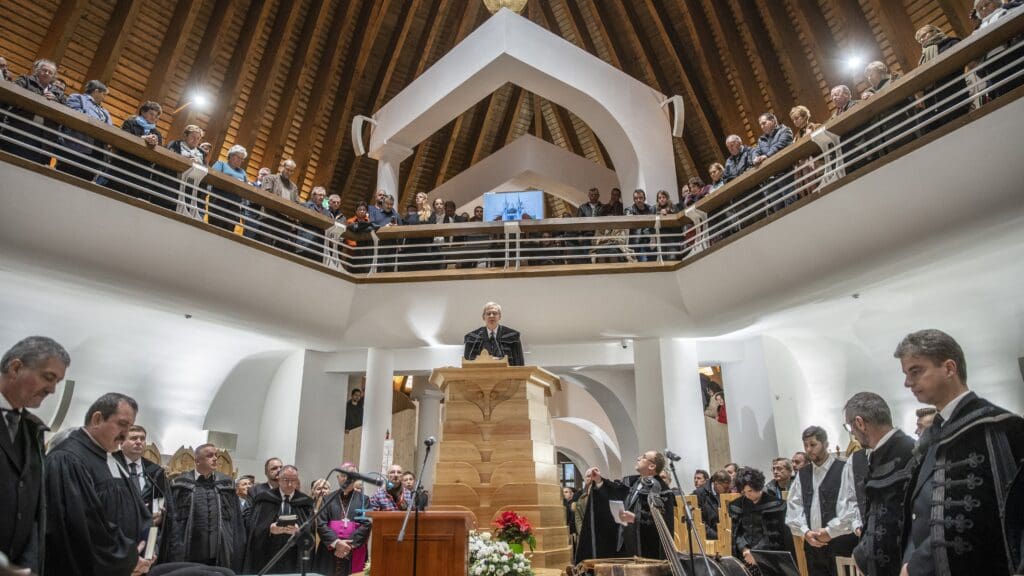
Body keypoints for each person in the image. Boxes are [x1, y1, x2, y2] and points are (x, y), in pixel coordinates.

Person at [895, 329, 1024, 576]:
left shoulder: (998, 427)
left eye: (916, 371)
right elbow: (920, 510)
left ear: (949, 368)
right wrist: (910, 562)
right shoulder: (934, 434)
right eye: (906, 374)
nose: (907, 383)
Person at [44, 392, 152, 576]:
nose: (125, 434)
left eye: (130, 427)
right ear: (97, 419)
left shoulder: (106, 456)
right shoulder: (68, 458)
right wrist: (125, 559)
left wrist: (145, 547)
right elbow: (81, 525)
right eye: (122, 424)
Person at [0, 336, 69, 573]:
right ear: (16, 368)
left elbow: (32, 511)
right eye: (48, 377)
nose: (52, 389)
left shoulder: (32, 429)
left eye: (57, 382)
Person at [842, 392, 915, 576]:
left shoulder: (912, 452)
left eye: (850, 428)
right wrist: (862, 554)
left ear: (859, 423)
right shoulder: (879, 454)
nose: (853, 435)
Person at [785, 426, 858, 576]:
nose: (808, 449)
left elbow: (851, 506)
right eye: (805, 445)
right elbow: (794, 506)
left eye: (813, 444)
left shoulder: (844, 468)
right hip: (813, 547)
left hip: (841, 544)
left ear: (825, 444)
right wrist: (806, 532)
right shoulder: (803, 474)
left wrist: (831, 531)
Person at [163, 443, 246, 570]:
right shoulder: (180, 484)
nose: (215, 459)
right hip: (188, 549)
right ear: (197, 460)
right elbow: (171, 519)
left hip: (219, 550)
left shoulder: (226, 484)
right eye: (209, 456)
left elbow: (236, 520)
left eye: (216, 455)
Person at [582, 451, 675, 559]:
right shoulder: (631, 482)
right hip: (623, 545)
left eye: (643, 457)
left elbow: (662, 523)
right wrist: (598, 480)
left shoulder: (662, 491)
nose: (638, 458)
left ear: (652, 466)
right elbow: (614, 493)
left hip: (645, 550)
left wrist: (635, 519)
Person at [245, 464, 314, 574]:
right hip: (268, 552)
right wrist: (269, 529)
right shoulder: (265, 498)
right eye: (286, 480)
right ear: (279, 479)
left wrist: (299, 531)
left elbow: (310, 532)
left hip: (294, 554)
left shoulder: (305, 502)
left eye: (293, 480)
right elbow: (255, 527)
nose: (290, 484)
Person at [729, 467, 796, 575]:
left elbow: (773, 535)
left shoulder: (776, 505)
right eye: (744, 492)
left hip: (768, 558)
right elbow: (737, 532)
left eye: (750, 491)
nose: (747, 495)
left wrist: (755, 553)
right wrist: (744, 548)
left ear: (758, 487)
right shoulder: (737, 505)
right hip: (743, 557)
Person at [2, 59, 64, 164]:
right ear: (37, 71)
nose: (47, 73)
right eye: (44, 70)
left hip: (42, 137)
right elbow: (14, 95)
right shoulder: (25, 80)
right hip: (19, 128)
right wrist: (39, 98)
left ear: (53, 76)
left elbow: (64, 110)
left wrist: (55, 101)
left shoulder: (58, 93)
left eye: (50, 72)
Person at [315, 463, 371, 576]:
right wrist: (337, 543)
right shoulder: (327, 499)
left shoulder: (364, 500)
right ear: (338, 478)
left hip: (353, 550)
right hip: (330, 550)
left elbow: (366, 524)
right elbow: (321, 524)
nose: (347, 478)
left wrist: (347, 545)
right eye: (343, 475)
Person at [56, 79, 112, 180]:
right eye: (104, 94)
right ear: (96, 91)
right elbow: (75, 116)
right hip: (76, 149)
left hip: (96, 154)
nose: (104, 98)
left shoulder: (105, 111)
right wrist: (99, 124)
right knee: (64, 178)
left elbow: (110, 129)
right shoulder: (77, 98)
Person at [114, 424, 168, 519]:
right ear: (121, 442)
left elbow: (162, 499)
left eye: (142, 439)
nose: (139, 442)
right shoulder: (109, 464)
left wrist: (160, 516)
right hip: (118, 525)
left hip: (148, 527)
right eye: (133, 438)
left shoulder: (155, 470)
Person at [463, 301, 524, 366]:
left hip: (506, 375)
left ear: (499, 316)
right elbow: (466, 364)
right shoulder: (472, 337)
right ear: (483, 317)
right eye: (488, 313)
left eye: (494, 313)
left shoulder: (512, 336)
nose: (491, 316)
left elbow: (520, 363)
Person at [207, 144, 249, 232]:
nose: (239, 161)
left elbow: (246, 188)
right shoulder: (221, 164)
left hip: (234, 205)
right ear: (230, 155)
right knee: (215, 228)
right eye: (238, 157)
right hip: (219, 201)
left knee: (229, 230)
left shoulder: (242, 172)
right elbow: (213, 177)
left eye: (241, 159)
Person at [694, 470, 730, 539]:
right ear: (716, 484)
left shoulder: (725, 492)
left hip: (726, 536)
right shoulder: (699, 494)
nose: (727, 491)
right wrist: (717, 536)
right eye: (725, 488)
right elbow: (699, 521)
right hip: (709, 540)